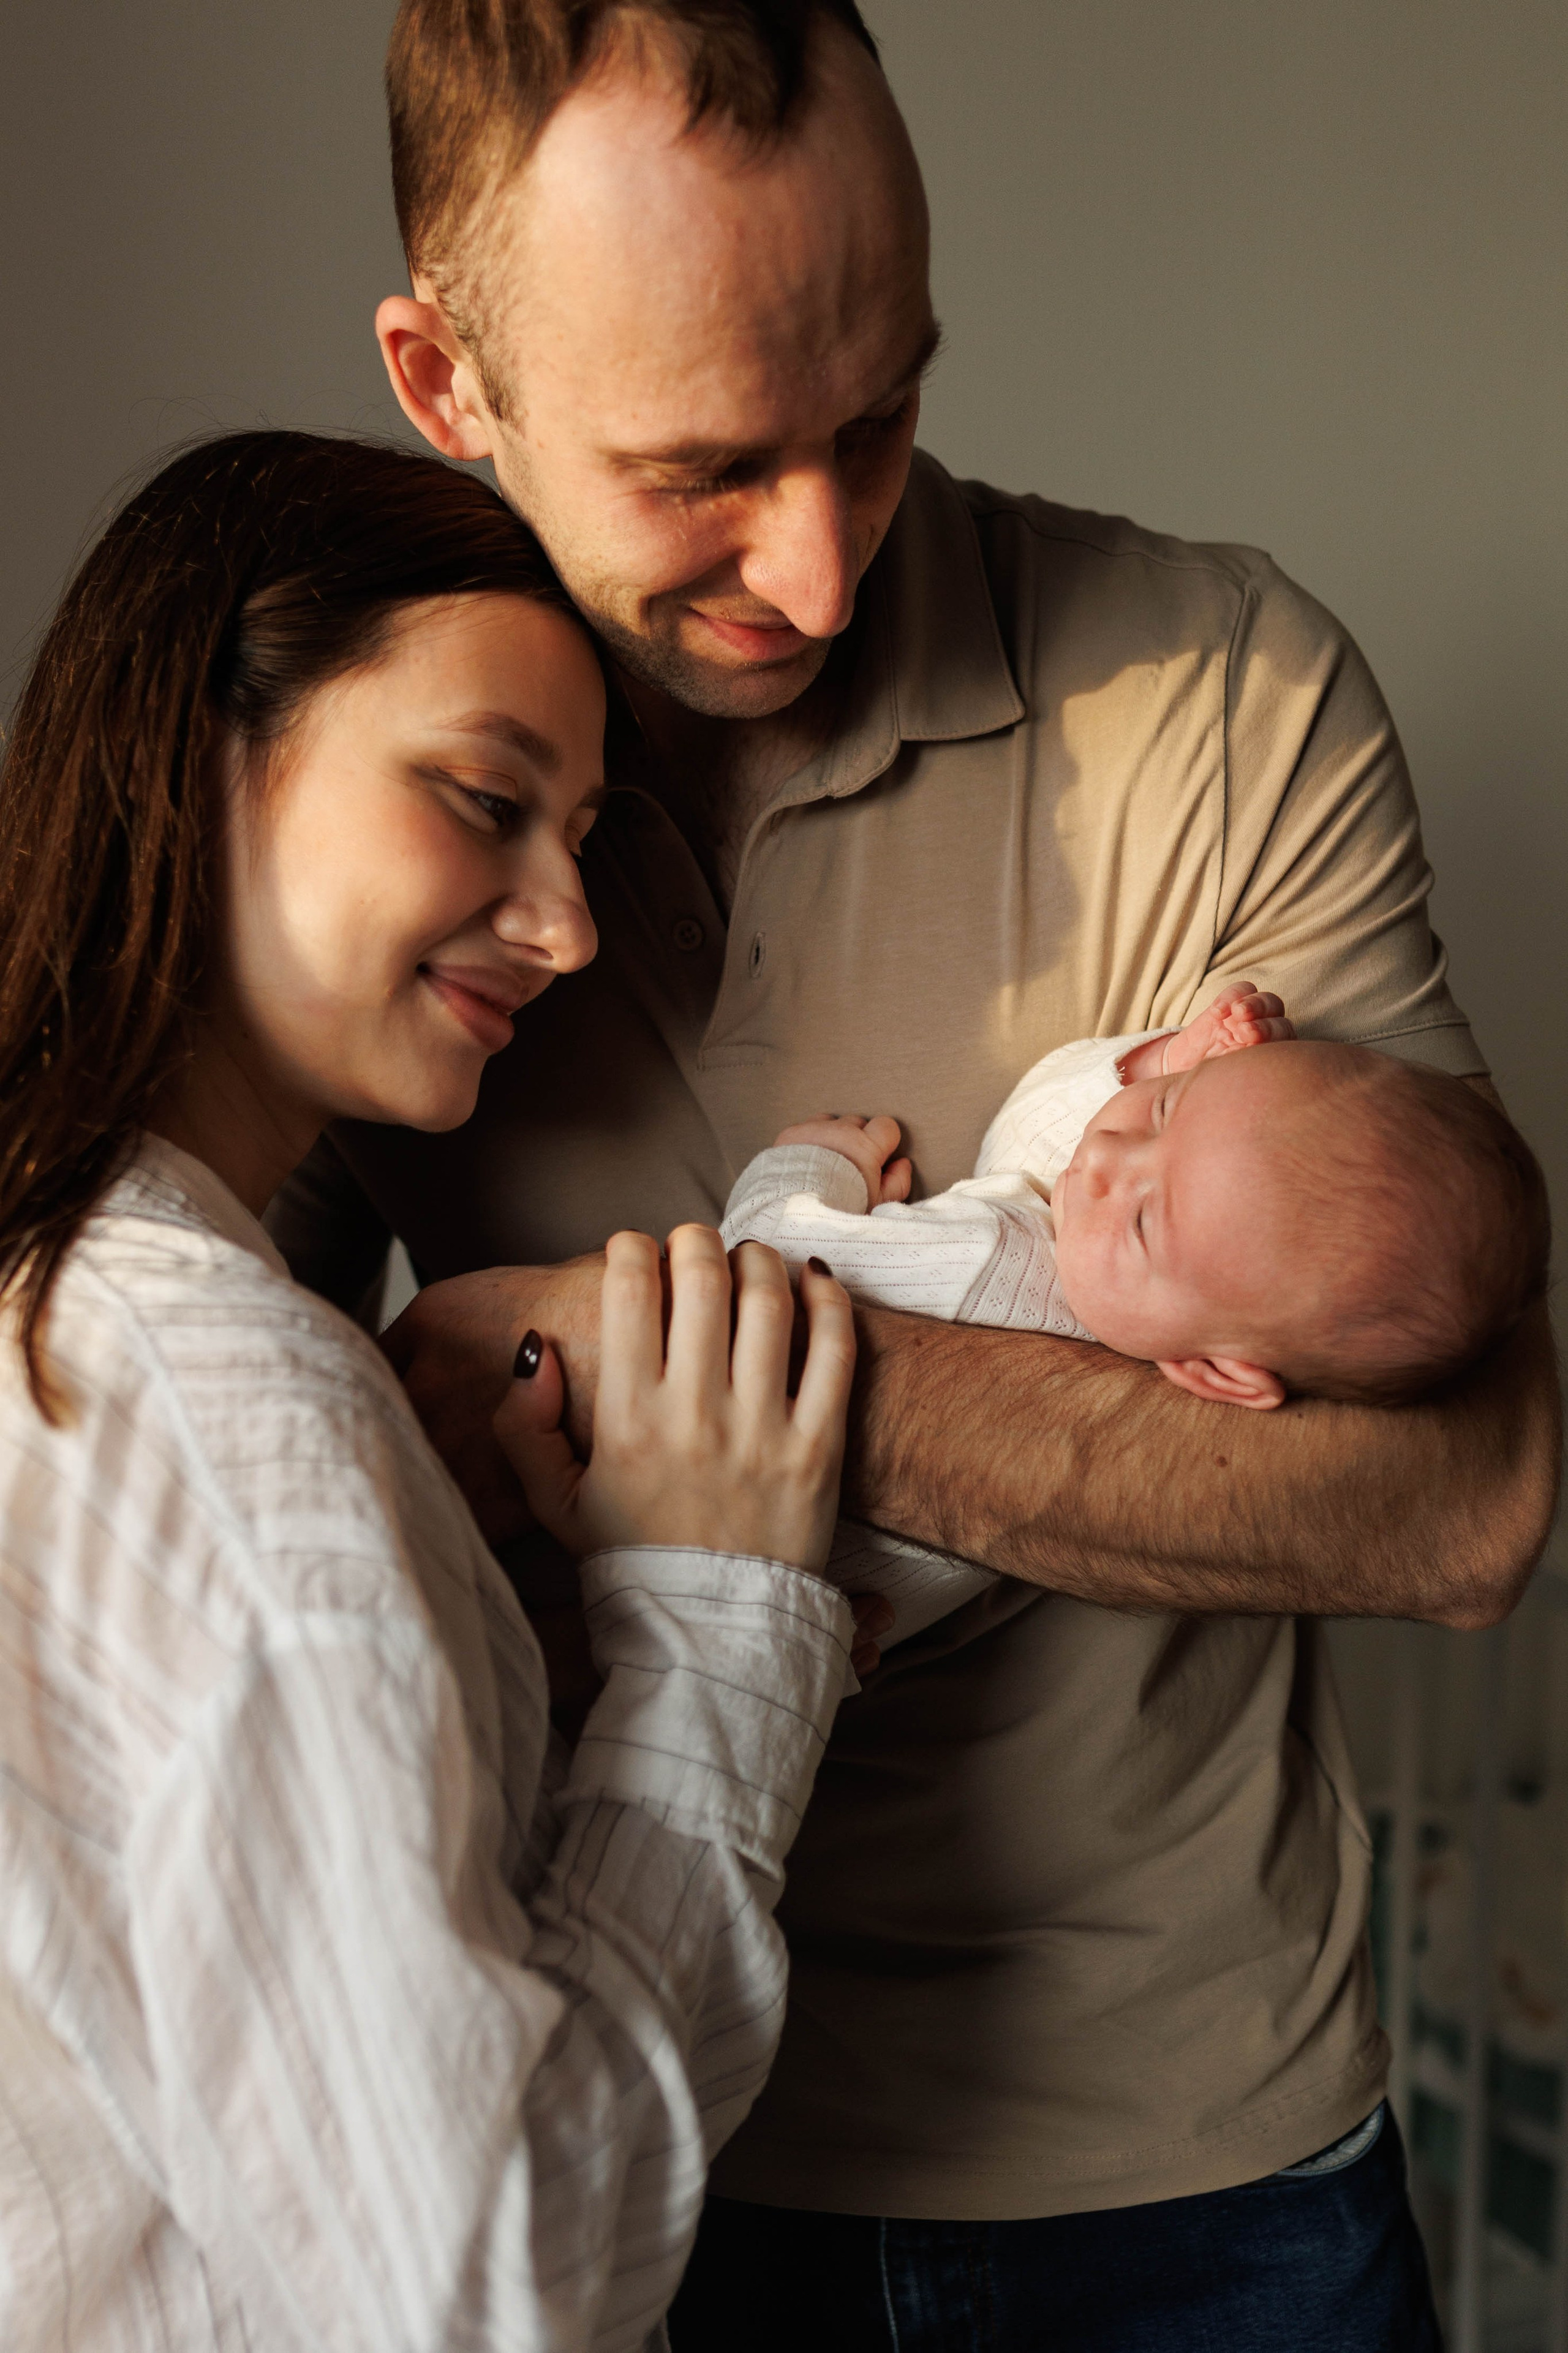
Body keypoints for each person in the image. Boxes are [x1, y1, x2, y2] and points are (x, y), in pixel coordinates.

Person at [266, 3, 1561, 2345]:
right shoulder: (349, 787)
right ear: (450, 388)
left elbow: (1461, 1500)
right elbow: (199, 1433)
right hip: (601, 2133)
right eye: (707, 465)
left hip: (1197, 2167)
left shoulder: (1225, 701)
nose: (830, 565)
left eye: (881, 414)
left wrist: (649, 1351)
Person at [0, 429, 868, 2353]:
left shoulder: (68, 1304)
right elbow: (477, 2290)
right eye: (485, 799)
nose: (562, 928)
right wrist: (717, 1628)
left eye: (581, 840)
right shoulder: (222, 1408)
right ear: (201, 739)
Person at [722, 984, 1552, 1644]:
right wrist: (1164, 1061)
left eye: (1149, 1219)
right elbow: (1037, 1159)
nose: (1110, 1156)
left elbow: (753, 1269)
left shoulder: (981, 1269)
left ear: (1221, 1371)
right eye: (1166, 1111)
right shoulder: (1137, 1325)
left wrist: (814, 1164)